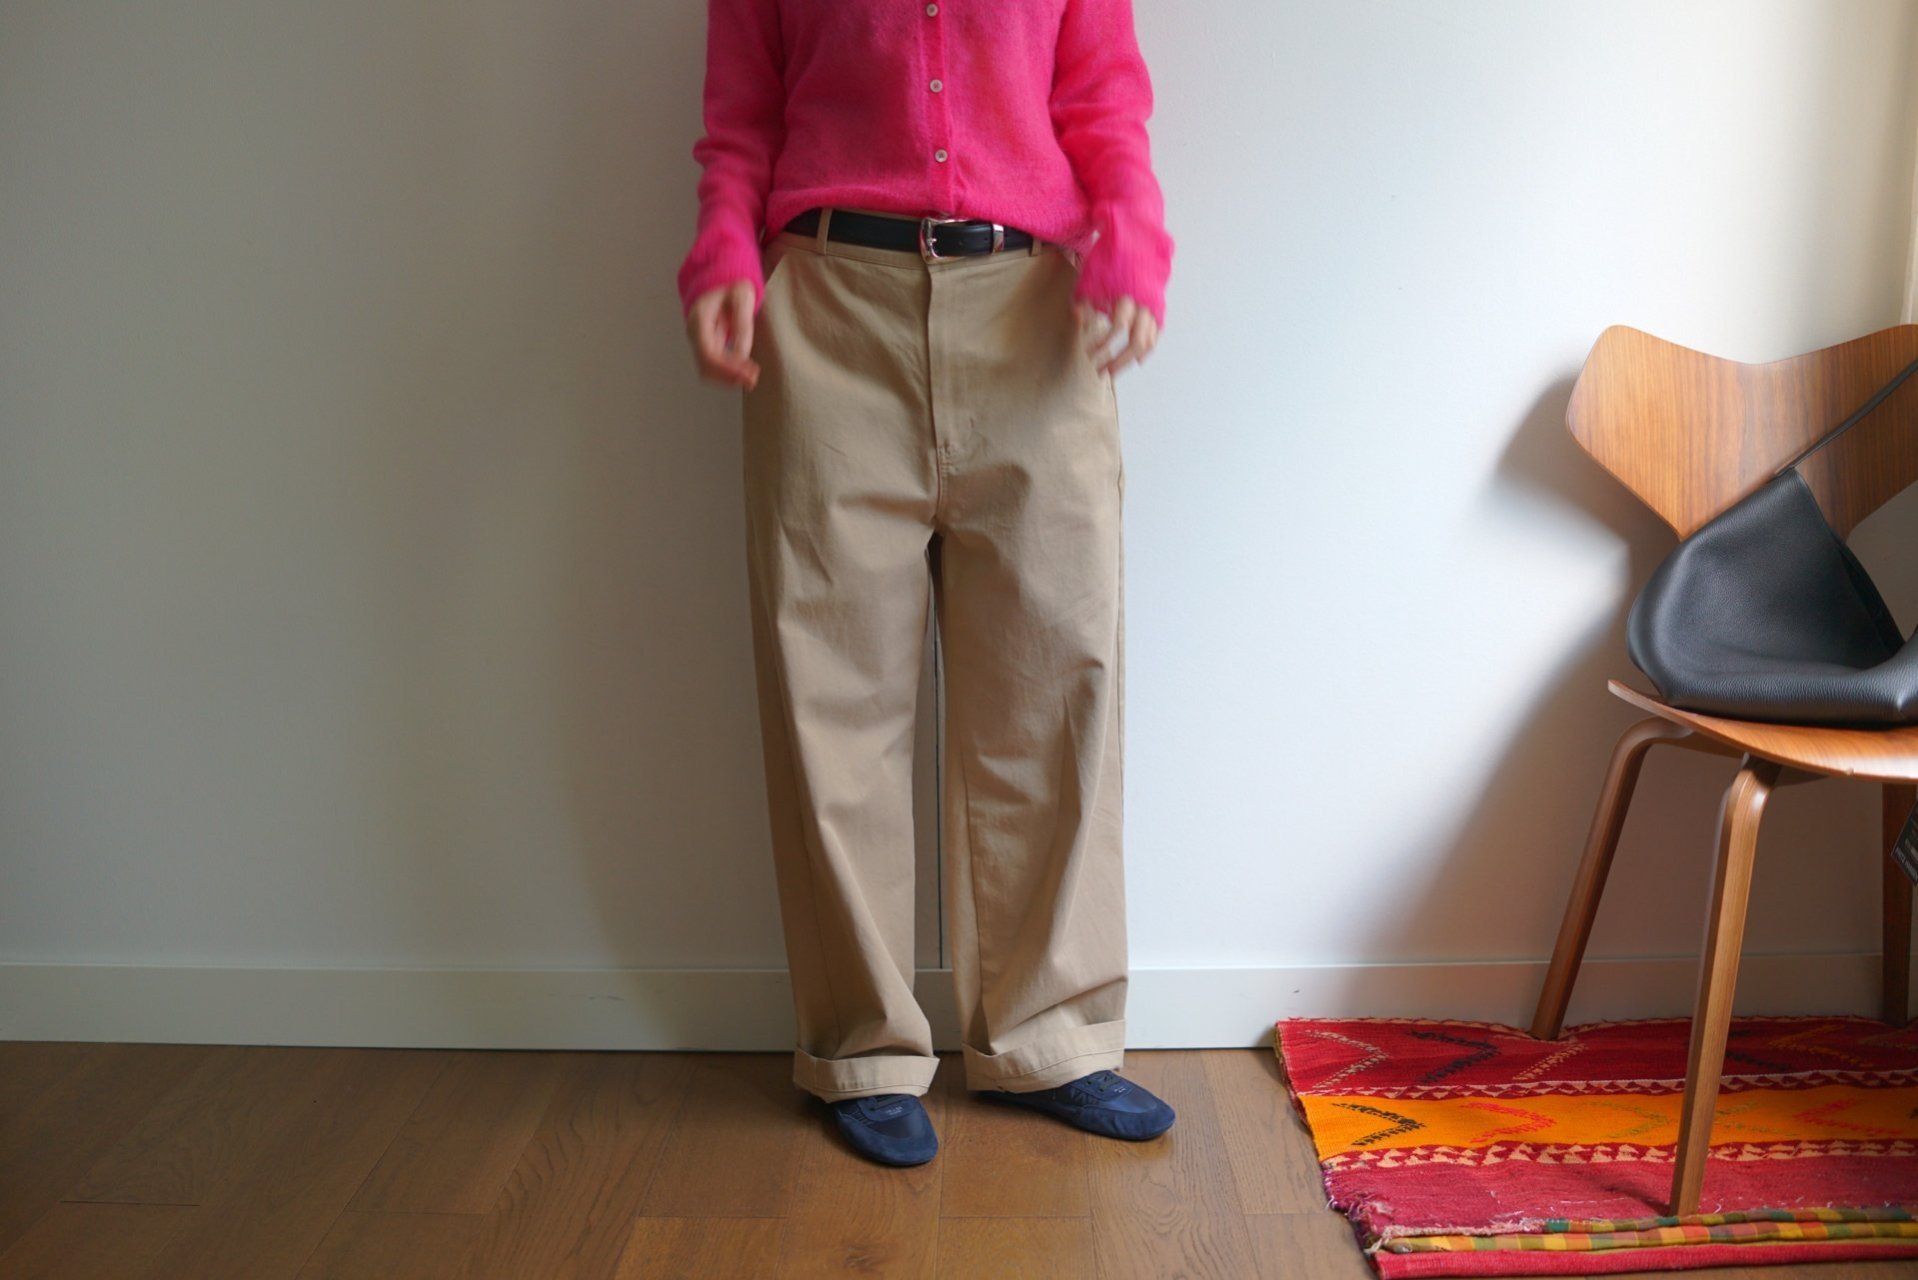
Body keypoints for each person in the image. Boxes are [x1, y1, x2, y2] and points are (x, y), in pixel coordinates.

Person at [677, 0, 1175, 1168]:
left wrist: (1131, 232)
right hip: (828, 312)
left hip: (1035, 313)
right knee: (832, 694)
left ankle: (1052, 1035)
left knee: (1053, 678)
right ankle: (861, 1045)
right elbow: (740, 120)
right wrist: (722, 247)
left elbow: (1103, 96)